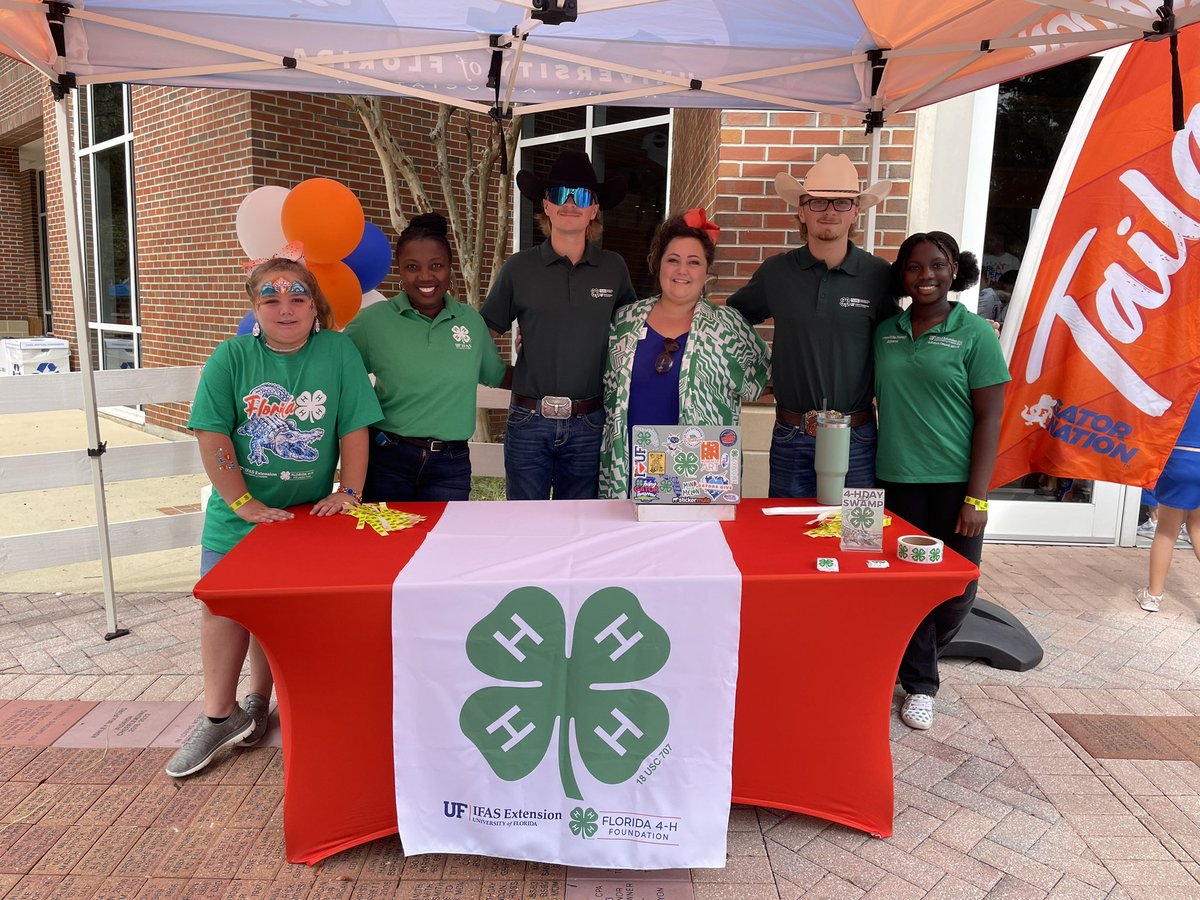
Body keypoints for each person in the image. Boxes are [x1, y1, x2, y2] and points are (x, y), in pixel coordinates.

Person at [167, 254, 381, 778]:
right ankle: (218, 715)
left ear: (315, 304)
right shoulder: (231, 357)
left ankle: (258, 703)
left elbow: (354, 426)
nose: (285, 308)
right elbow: (212, 434)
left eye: (297, 297)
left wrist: (349, 491)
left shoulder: (337, 351)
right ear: (254, 306)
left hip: (308, 518)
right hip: (239, 514)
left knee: (283, 614)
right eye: (271, 297)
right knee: (223, 608)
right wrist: (244, 502)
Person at [873, 231, 1010, 731]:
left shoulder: (975, 334)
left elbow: (992, 419)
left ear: (956, 269)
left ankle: (917, 655)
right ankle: (920, 684)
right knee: (906, 588)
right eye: (913, 267)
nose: (924, 276)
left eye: (936, 265)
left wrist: (978, 495)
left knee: (956, 591)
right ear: (902, 275)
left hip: (955, 485)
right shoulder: (886, 330)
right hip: (896, 480)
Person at [727, 153, 897, 498]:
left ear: (856, 212)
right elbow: (730, 321)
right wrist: (758, 372)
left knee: (852, 538)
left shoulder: (878, 275)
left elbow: (904, 334)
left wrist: (957, 323)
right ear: (801, 211)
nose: (829, 211)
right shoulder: (777, 273)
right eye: (817, 201)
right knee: (786, 539)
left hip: (858, 436)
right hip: (792, 435)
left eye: (841, 202)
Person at [481, 149, 637, 500]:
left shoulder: (614, 268)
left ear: (595, 209)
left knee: (582, 527)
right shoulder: (519, 268)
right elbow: (480, 332)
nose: (569, 203)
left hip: (590, 420)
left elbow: (634, 333)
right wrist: (504, 375)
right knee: (524, 526)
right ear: (546, 206)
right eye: (558, 195)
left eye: (580, 195)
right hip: (528, 419)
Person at [599, 209, 770, 497]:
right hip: (626, 475)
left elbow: (765, 383)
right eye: (673, 260)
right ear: (659, 264)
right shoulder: (623, 321)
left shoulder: (728, 326)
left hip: (701, 481)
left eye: (694, 262)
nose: (682, 270)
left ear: (706, 272)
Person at [344, 213, 507, 502]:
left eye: (436, 266)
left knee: (444, 545)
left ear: (449, 267)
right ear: (399, 269)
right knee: (387, 545)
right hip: (387, 460)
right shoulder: (372, 323)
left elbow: (497, 375)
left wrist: (554, 368)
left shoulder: (469, 321)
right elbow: (337, 374)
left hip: (450, 465)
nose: (425, 277)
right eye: (412, 267)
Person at [1135, 395, 1200, 611]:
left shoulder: (1184, 377)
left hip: (1180, 456)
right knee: (1197, 528)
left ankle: (1153, 595)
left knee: (1166, 530)